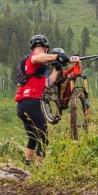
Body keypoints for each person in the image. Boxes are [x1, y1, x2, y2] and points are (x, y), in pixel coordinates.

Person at [14, 34, 67, 165]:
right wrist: (57, 56)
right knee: (43, 137)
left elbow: (46, 85)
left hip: (22, 106)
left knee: (33, 137)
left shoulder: (37, 68)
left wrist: (56, 69)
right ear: (46, 49)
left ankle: (27, 165)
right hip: (31, 103)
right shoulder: (33, 58)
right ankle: (39, 168)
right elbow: (37, 58)